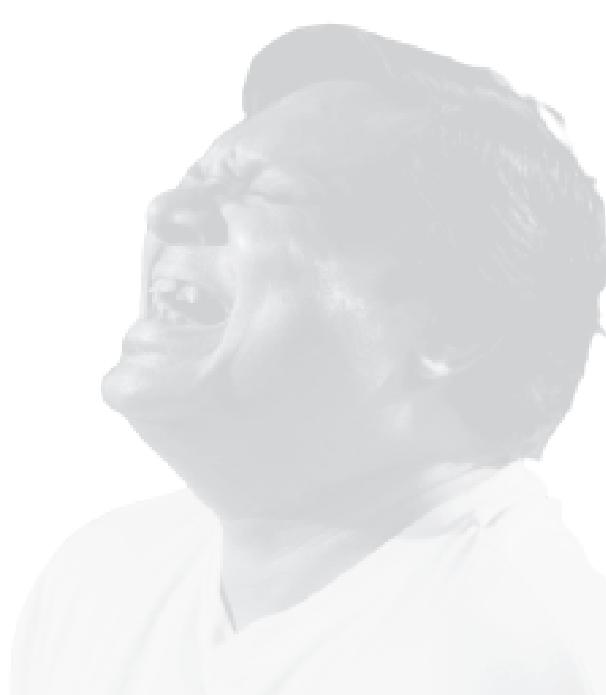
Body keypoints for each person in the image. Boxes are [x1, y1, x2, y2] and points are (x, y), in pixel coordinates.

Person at [11, 24, 606, 695]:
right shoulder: (100, 579)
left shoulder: (522, 657)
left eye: (261, 192)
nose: (169, 211)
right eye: (194, 181)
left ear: (454, 327)